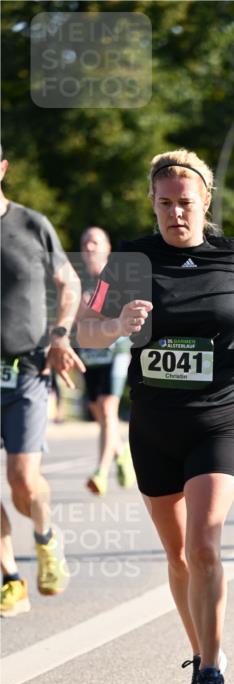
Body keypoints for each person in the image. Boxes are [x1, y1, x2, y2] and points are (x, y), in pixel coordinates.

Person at [78, 149, 234, 684]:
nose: (175, 213)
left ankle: (213, 673)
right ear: (152, 203)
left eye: (185, 203)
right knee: (178, 555)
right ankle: (200, 655)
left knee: (205, 544)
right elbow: (85, 325)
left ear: (205, 201)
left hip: (219, 418)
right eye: (164, 203)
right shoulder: (130, 259)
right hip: (156, 423)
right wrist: (116, 326)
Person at [0, 147, 82, 617]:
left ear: (4, 169)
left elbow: (68, 283)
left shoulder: (32, 224)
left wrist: (59, 334)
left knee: (22, 481)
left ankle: (46, 536)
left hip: (27, 369)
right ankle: (10, 576)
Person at [75, 226, 135, 494]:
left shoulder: (117, 278)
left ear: (107, 248)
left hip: (116, 350)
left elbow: (127, 315)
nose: (89, 247)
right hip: (89, 352)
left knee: (107, 408)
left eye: (95, 242)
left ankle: (100, 471)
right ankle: (121, 453)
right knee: (98, 411)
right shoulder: (76, 280)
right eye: (86, 242)